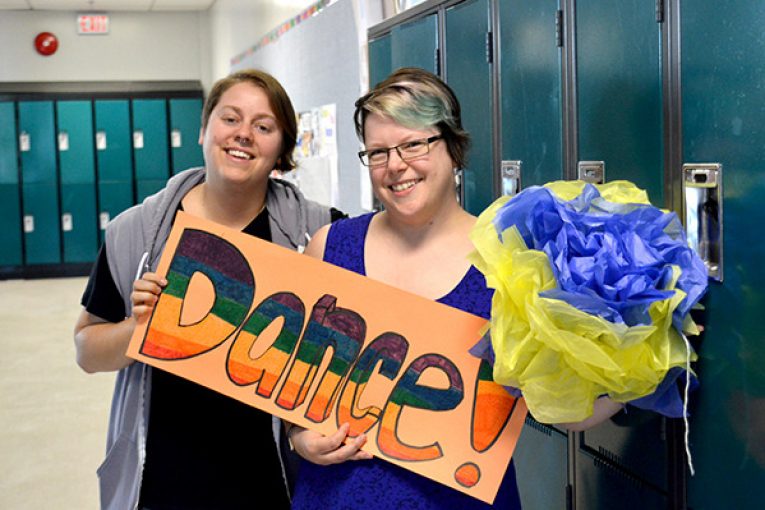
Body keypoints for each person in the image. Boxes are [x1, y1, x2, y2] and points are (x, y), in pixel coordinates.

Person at [286, 68, 622, 509]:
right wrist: (299, 439)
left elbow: (559, 405)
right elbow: (289, 386)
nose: (396, 165)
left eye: (414, 144)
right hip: (338, 497)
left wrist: (643, 365)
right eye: (379, 152)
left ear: (453, 149)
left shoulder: (508, 263)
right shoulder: (330, 248)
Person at [74, 69, 344, 510]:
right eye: (230, 118)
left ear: (282, 149)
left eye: (264, 126)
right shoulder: (136, 233)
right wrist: (137, 329)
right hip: (164, 478)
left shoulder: (321, 231)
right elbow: (86, 350)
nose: (243, 135)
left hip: (273, 479)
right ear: (204, 128)